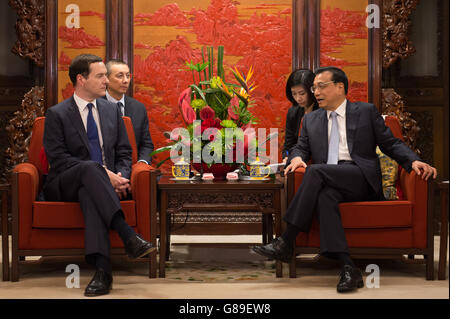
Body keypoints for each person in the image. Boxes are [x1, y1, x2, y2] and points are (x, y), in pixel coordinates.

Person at [252, 66, 437, 293]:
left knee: (315, 172)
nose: (316, 92)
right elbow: (300, 147)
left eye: (321, 86)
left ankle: (287, 239)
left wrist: (413, 161)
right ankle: (349, 269)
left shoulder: (366, 111)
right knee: (325, 197)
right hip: (329, 180)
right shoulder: (311, 120)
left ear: (340, 87)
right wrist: (298, 158)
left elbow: (391, 143)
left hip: (361, 178)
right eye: (314, 87)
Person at [43, 54, 156, 297]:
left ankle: (103, 272)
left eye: (106, 75)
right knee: (89, 168)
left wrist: (120, 176)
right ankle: (127, 234)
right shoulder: (58, 114)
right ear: (81, 79)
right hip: (64, 183)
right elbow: (59, 160)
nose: (106, 80)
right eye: (100, 75)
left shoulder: (111, 110)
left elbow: (126, 152)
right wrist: (107, 176)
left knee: (90, 193)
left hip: (95, 187)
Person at [104, 59, 154, 164]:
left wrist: (142, 163)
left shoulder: (138, 108)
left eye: (128, 76)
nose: (125, 80)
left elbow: (146, 144)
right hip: (105, 168)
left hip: (133, 167)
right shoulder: (96, 105)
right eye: (120, 76)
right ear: (106, 78)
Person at [282, 69, 319, 162]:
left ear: (312, 90)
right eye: (294, 94)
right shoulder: (293, 112)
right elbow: (288, 144)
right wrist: (286, 157)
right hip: (296, 161)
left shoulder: (322, 110)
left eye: (302, 93)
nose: (298, 98)